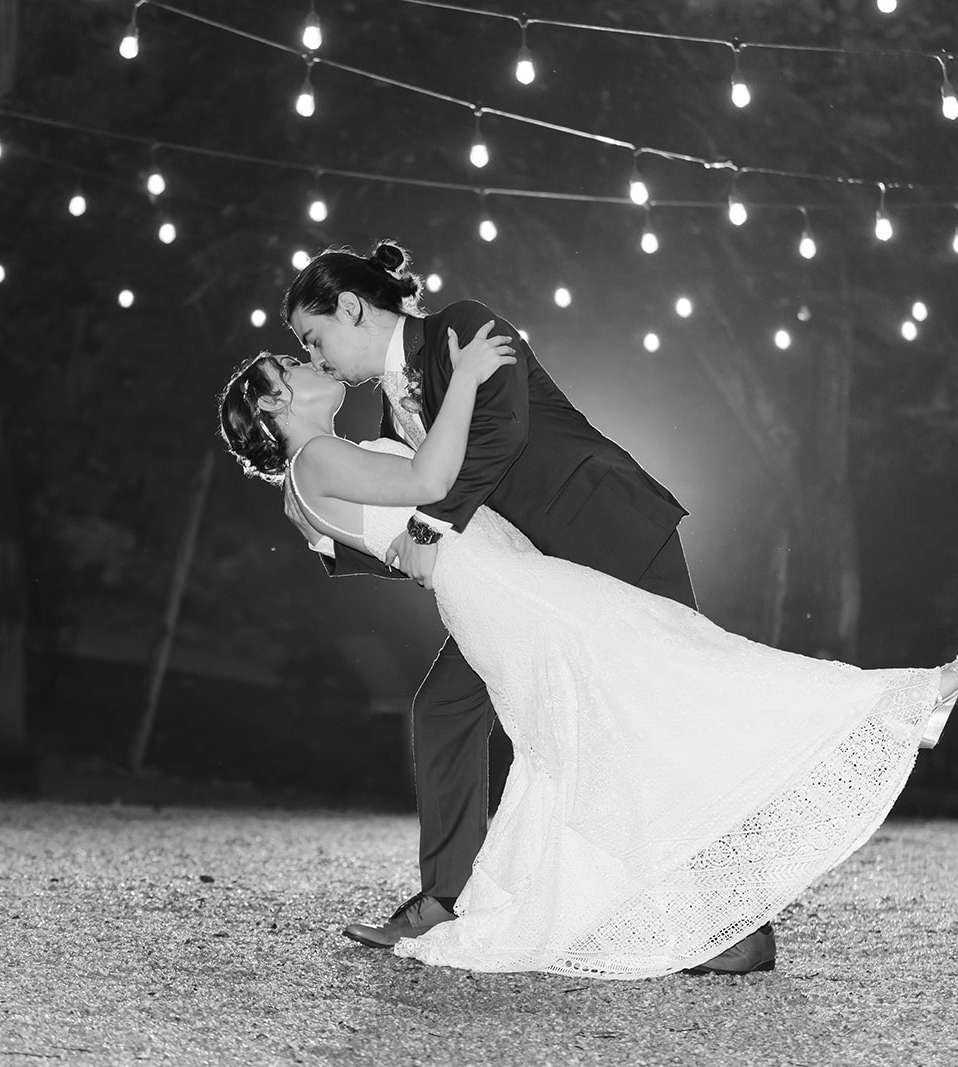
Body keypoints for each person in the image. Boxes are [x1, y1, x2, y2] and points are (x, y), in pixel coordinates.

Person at [217, 320, 958, 980]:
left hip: (504, 579)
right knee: (660, 661)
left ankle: (712, 911)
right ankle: (883, 705)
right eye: (293, 364)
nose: (309, 361)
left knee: (611, 709)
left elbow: (398, 510)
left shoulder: (318, 467)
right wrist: (468, 377)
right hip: (502, 587)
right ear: (275, 404)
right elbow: (431, 477)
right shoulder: (315, 461)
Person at [278, 242, 786, 971]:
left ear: (351, 307)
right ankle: (447, 901)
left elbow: (501, 435)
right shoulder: (390, 410)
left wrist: (428, 525)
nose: (315, 357)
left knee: (665, 707)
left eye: (312, 336)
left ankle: (740, 926)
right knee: (445, 707)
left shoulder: (462, 326)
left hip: (608, 528)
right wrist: (327, 536)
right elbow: (411, 522)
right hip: (530, 582)